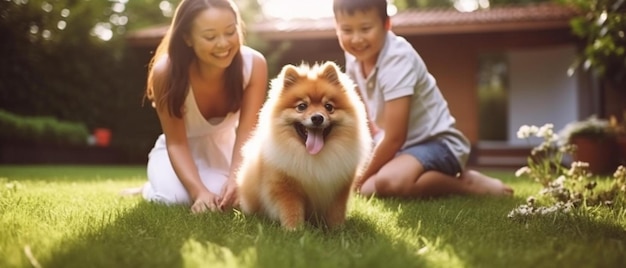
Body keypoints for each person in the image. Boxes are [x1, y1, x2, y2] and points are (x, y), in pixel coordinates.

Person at [332, 0, 513, 198]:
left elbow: (395, 137)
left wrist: (356, 179)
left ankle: (468, 184)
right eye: (347, 30)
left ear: (386, 25)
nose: (357, 39)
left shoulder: (396, 59)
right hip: (404, 148)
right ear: (337, 28)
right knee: (369, 189)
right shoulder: (354, 57)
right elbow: (371, 112)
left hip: (438, 143)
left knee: (389, 182)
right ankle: (415, 173)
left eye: (365, 28)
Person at [135, 0, 268, 213]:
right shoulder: (166, 73)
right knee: (176, 199)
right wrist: (198, 192)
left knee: (226, 197)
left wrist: (237, 177)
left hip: (227, 150)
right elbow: (176, 143)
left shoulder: (254, 65)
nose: (223, 43)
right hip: (179, 152)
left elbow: (247, 132)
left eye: (230, 31)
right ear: (187, 38)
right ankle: (150, 188)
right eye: (210, 36)